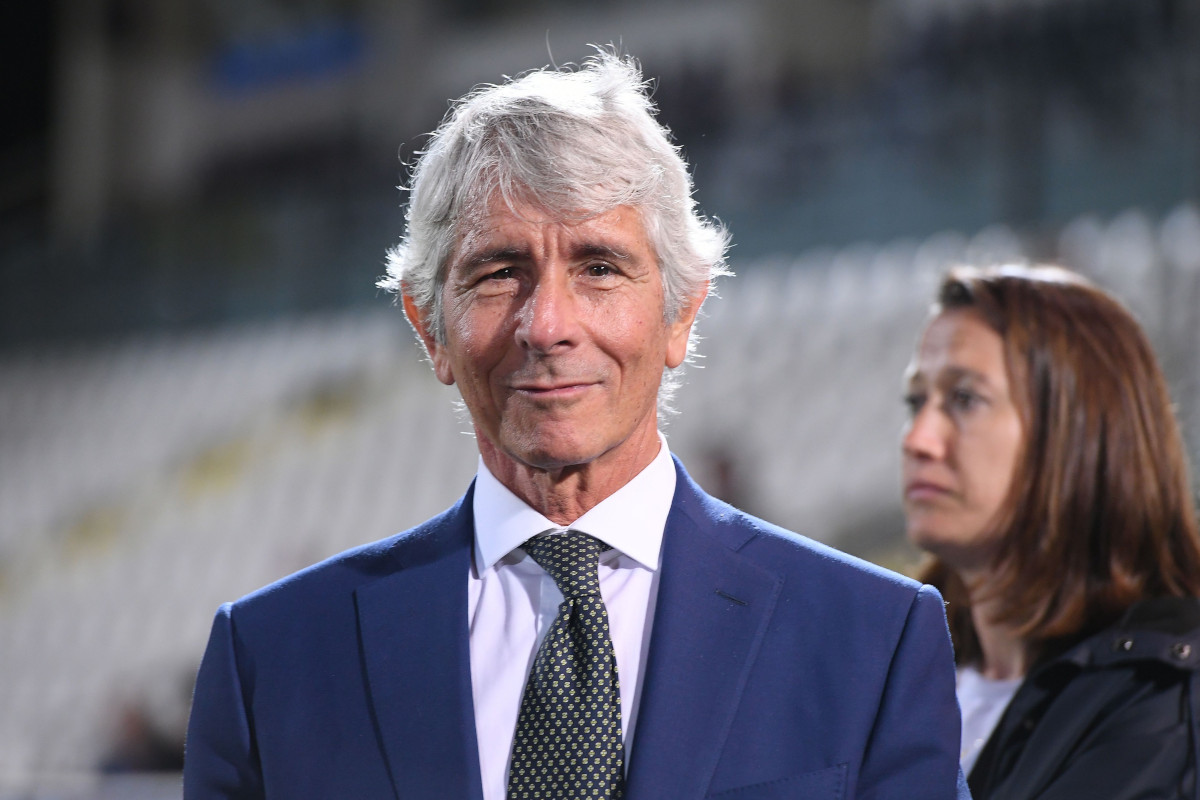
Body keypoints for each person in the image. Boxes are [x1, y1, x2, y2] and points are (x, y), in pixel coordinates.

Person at [184, 49, 968, 799]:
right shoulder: (272, 660)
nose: (547, 324)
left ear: (681, 314)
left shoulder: (872, 640)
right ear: (430, 331)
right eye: (499, 273)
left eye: (599, 267)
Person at [902, 263, 1200, 800]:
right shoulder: (895, 670)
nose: (919, 439)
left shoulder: (1164, 697)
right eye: (916, 402)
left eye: (965, 399)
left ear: (1084, 431)